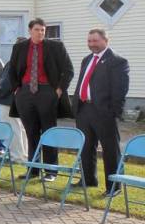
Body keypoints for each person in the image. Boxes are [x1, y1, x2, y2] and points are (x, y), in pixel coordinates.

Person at [8, 18, 74, 182]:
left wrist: (58, 90)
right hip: (25, 92)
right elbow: (12, 70)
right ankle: (33, 170)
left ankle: (51, 171)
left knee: (49, 131)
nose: (40, 33)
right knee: (31, 133)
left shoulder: (56, 47)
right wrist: (17, 88)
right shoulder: (20, 47)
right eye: (37, 30)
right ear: (30, 30)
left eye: (43, 30)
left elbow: (68, 70)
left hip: (47, 92)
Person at [72, 28, 129, 196]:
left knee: (110, 150)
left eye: (95, 41)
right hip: (84, 109)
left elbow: (120, 90)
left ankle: (114, 187)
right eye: (89, 41)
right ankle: (88, 179)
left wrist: (113, 112)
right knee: (86, 147)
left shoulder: (117, 61)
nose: (91, 44)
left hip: (104, 112)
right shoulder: (86, 59)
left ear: (105, 40)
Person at [0, 38, 30, 163]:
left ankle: (16, 157)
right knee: (20, 129)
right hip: (18, 101)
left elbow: (7, 83)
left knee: (13, 129)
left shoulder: (16, 62)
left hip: (9, 101)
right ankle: (23, 155)